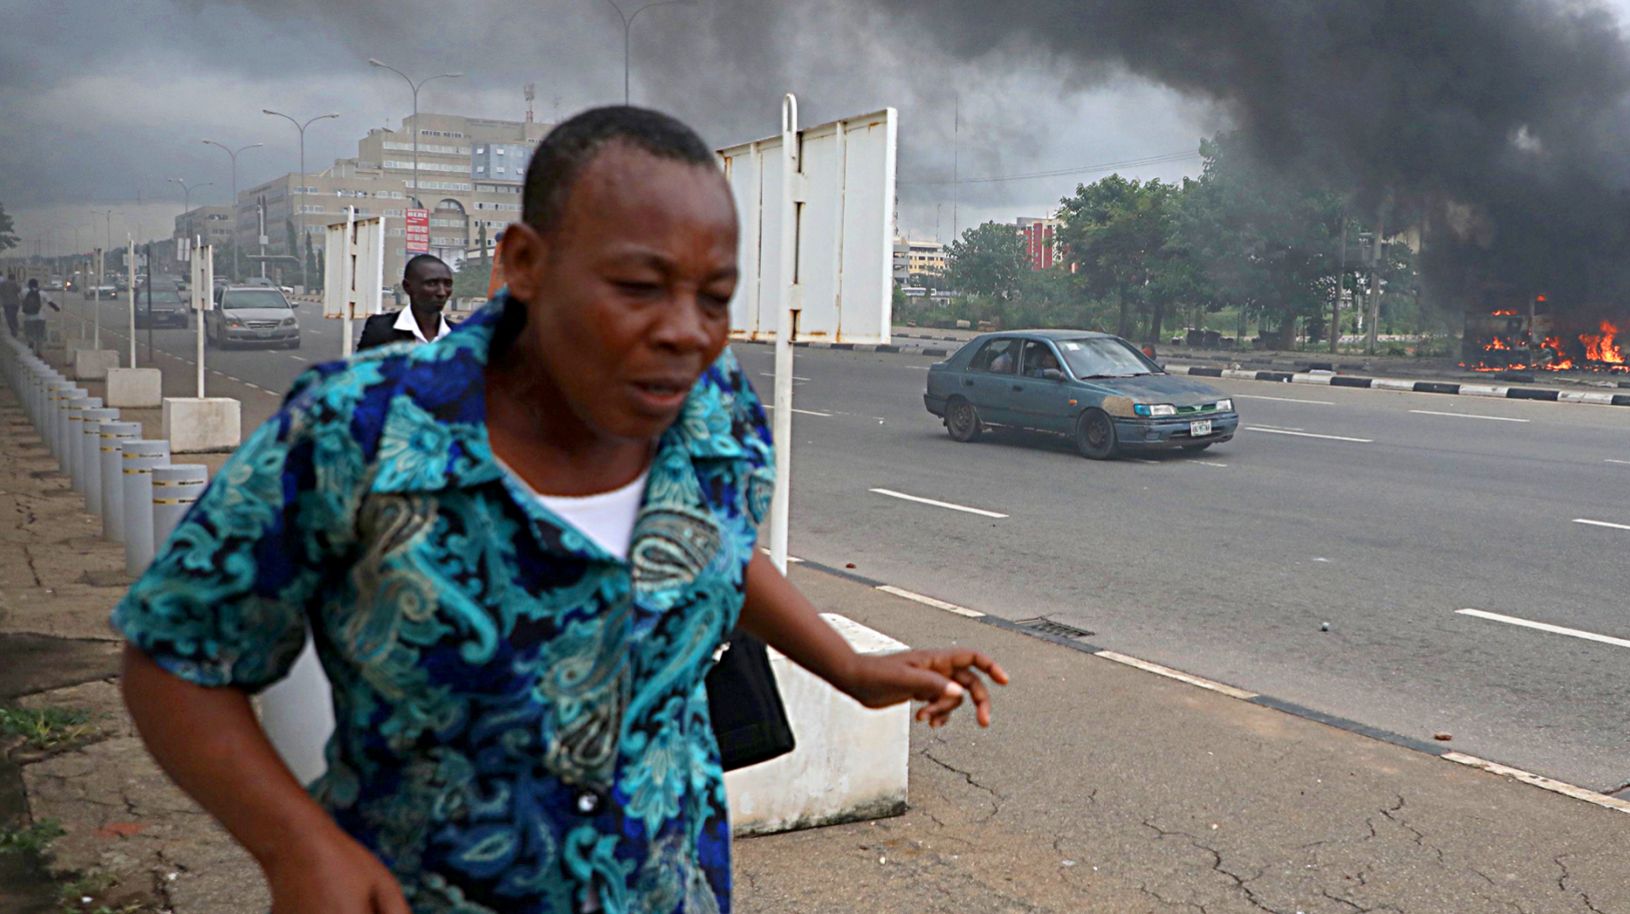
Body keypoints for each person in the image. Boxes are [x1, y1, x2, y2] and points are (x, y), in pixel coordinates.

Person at [113, 106, 1008, 914]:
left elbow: (710, 556)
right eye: (638, 285)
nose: (685, 330)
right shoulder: (357, 430)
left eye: (715, 297)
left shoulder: (716, 415)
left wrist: (850, 670)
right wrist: (295, 848)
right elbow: (176, 657)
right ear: (523, 263)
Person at [356, 254, 455, 350]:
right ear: (407, 286)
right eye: (432, 283)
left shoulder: (461, 336)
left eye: (448, 284)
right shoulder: (379, 330)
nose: (442, 292)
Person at [20, 279, 57, 351]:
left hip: (28, 317)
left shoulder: (24, 292)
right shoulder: (43, 293)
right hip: (41, 317)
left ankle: (31, 341)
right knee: (40, 333)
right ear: (37, 284)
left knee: (29, 332)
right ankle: (38, 350)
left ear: (29, 284)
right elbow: (50, 303)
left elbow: (22, 301)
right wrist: (56, 308)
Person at [0, 272, 21, 338]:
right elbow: (18, 290)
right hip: (15, 303)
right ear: (13, 278)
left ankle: (14, 329)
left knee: (8, 317)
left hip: (6, 303)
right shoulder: (15, 283)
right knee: (13, 316)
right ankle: (15, 328)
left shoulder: (3, 284)